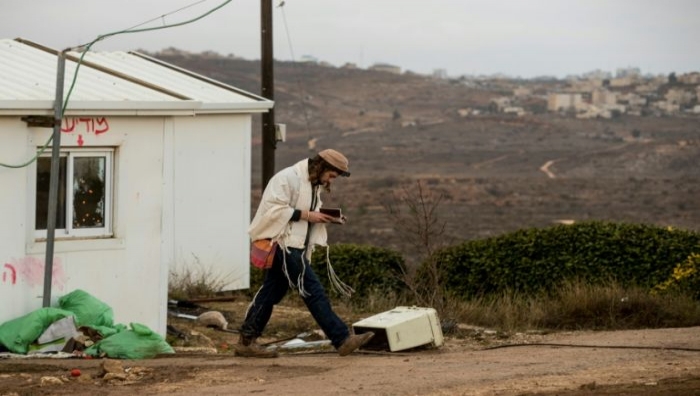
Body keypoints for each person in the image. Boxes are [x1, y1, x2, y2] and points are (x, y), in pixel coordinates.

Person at [236, 149, 374, 358]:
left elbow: (303, 215)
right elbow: (273, 210)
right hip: (283, 243)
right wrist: (308, 215)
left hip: (293, 244)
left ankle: (246, 341)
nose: (331, 180)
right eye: (331, 175)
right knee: (313, 290)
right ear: (322, 167)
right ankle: (342, 338)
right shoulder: (287, 178)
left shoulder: (310, 183)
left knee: (270, 294)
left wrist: (325, 217)